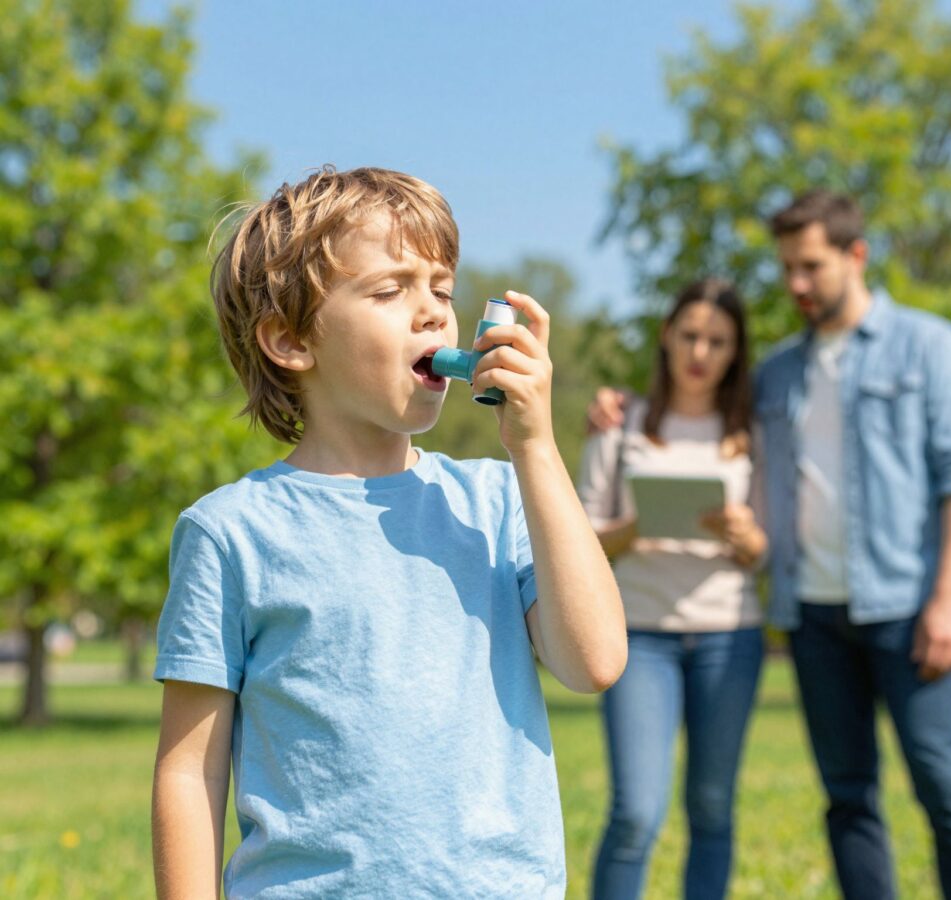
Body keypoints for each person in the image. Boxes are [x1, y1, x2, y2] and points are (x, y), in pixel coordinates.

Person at [151, 166, 627, 899]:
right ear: (289, 340)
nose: (433, 313)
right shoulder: (230, 532)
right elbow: (190, 769)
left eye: (441, 287)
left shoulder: (498, 498)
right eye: (389, 290)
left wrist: (536, 447)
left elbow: (593, 661)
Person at [589, 190, 951, 900]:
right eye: (786, 269)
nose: (796, 286)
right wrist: (614, 405)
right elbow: (698, 411)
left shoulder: (931, 348)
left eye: (810, 266)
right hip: (813, 616)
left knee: (946, 786)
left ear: (856, 254)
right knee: (847, 795)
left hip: (907, 606)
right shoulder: (776, 374)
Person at [578, 278, 768, 900]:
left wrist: (744, 535)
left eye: (718, 341)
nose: (701, 352)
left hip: (728, 635)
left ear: (736, 352)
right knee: (635, 811)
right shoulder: (619, 420)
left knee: (712, 808)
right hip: (639, 637)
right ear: (666, 335)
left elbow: (766, 550)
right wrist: (636, 527)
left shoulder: (752, 433)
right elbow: (577, 539)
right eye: (689, 334)